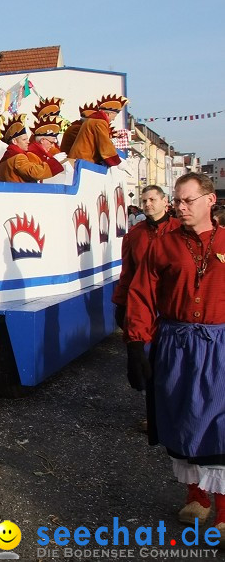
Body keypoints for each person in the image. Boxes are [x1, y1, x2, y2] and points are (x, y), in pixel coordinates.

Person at [125, 172, 224, 532]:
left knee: (220, 426)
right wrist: (136, 343)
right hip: (176, 343)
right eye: (178, 201)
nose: (180, 208)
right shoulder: (162, 246)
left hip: (220, 345)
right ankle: (195, 497)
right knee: (182, 418)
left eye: (188, 201)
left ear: (210, 200)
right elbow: (141, 294)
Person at [113, 186, 178, 332]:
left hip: (173, 303)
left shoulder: (179, 229)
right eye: (144, 201)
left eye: (152, 199)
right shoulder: (134, 234)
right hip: (142, 301)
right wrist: (121, 303)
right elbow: (127, 271)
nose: (147, 204)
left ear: (164, 201)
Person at [0, 114, 64, 183]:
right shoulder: (18, 157)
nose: (28, 142)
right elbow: (34, 173)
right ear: (14, 141)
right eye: (24, 139)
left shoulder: (9, 156)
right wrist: (54, 162)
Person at [67, 96, 127, 167]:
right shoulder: (100, 122)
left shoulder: (94, 120)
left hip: (81, 158)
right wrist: (117, 162)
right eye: (114, 116)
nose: (113, 119)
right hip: (84, 160)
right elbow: (104, 144)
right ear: (109, 113)